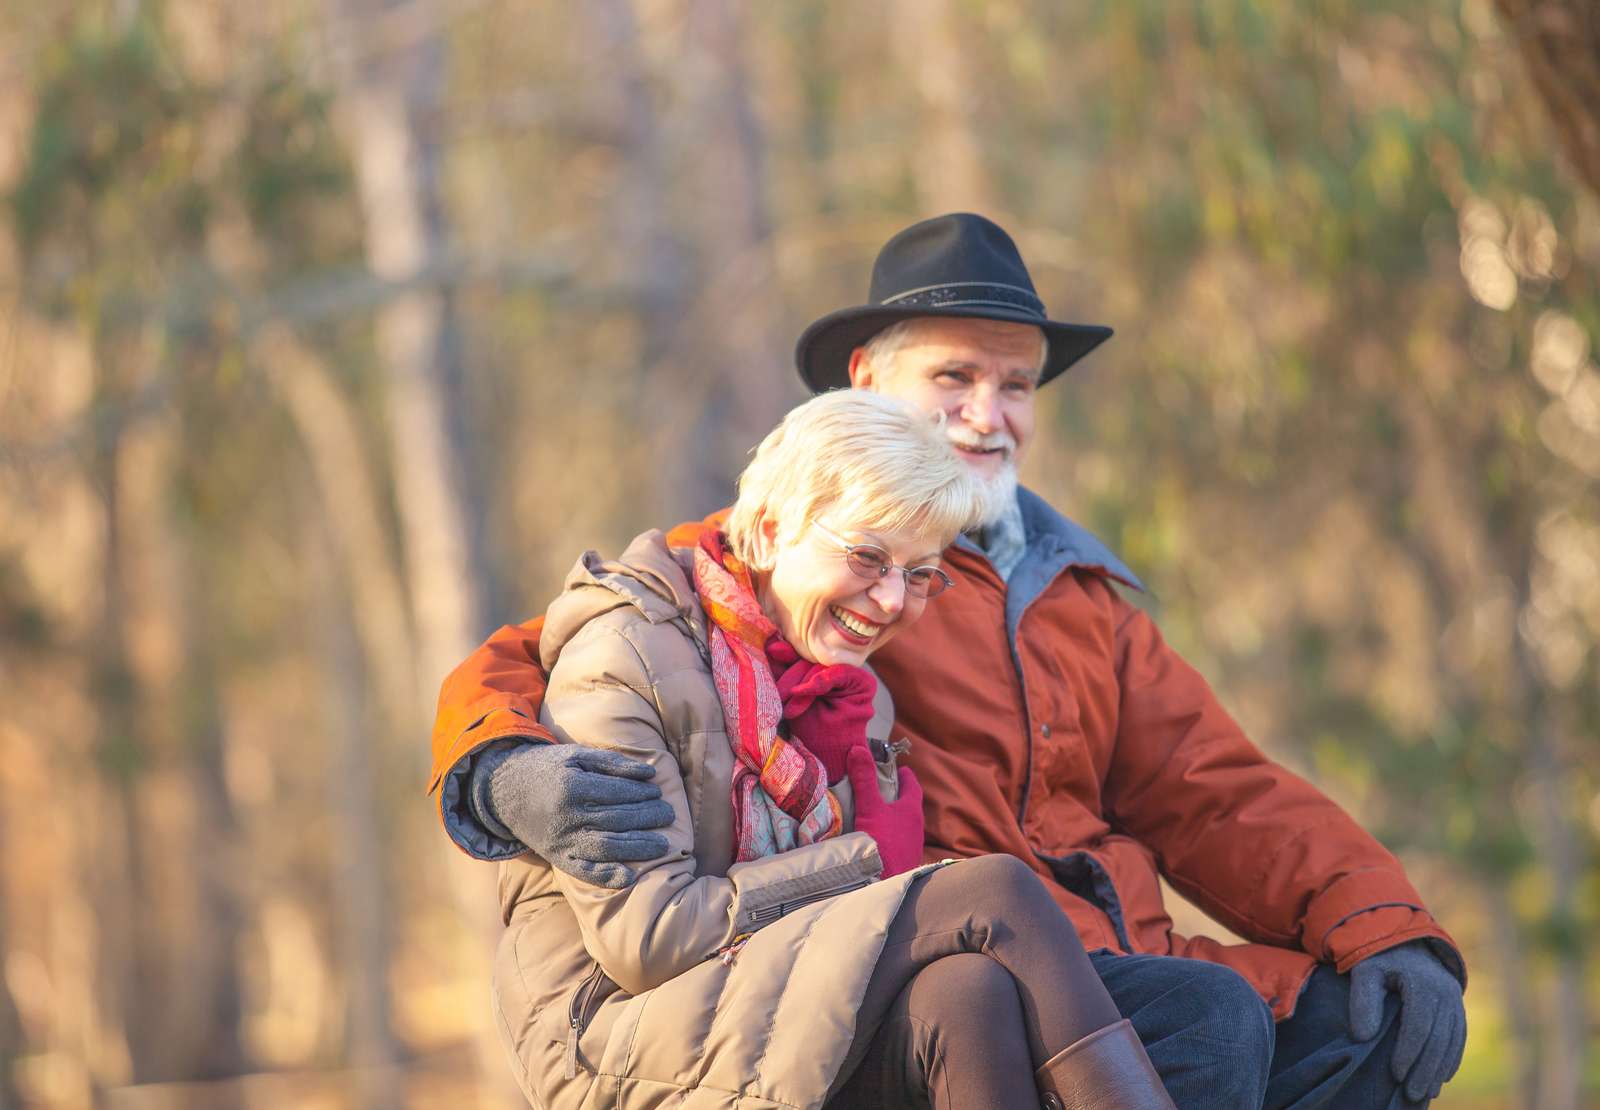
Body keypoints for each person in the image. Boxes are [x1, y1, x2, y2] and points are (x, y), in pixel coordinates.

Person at [433, 214, 1468, 1108]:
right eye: (953, 376)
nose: (988, 411)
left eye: (1015, 384)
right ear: (869, 382)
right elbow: (574, 644)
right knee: (1209, 1022)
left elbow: (1215, 790)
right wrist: (497, 770)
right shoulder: (813, 559)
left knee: (1362, 1024)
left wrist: (1378, 919)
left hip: (1110, 951)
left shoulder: (1080, 597)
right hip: (944, 946)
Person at [491, 388, 1173, 1109]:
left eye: (918, 575)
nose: (889, 601)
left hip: (750, 1001)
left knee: (968, 993)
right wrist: (868, 860)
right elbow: (650, 939)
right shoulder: (623, 658)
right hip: (611, 1033)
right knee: (993, 891)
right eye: (868, 556)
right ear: (770, 530)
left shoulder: (855, 696)